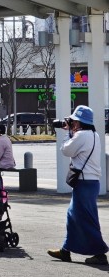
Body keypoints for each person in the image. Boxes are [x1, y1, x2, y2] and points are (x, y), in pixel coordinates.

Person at [47, 105, 108, 265]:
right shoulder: (94, 135)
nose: (71, 123)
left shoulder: (80, 135)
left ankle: (100, 253)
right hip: (91, 182)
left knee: (86, 218)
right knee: (73, 216)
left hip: (84, 182)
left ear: (80, 122)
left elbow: (66, 151)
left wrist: (68, 134)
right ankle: (65, 250)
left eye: (73, 121)